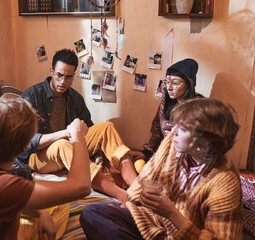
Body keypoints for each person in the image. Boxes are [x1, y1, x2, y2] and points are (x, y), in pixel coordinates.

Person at [80, 98, 243, 240]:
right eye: (175, 125)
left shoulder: (225, 183)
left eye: (183, 129)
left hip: (181, 235)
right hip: (149, 222)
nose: (173, 131)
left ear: (204, 141)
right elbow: (145, 180)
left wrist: (171, 213)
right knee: (92, 214)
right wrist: (130, 205)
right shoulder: (173, 143)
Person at [0, 96, 92, 239]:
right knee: (62, 202)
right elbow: (82, 186)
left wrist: (41, 212)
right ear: (26, 147)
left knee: (57, 205)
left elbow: (5, 199)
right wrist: (78, 137)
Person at [20, 49, 137, 202]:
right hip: (37, 156)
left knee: (106, 127)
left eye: (68, 77)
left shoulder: (75, 97)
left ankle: (136, 187)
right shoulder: (32, 96)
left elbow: (88, 129)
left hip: (68, 145)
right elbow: (26, 142)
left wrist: (96, 155)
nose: (63, 81)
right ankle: (122, 196)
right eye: (59, 75)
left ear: (74, 75)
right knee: (62, 144)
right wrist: (66, 132)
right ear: (51, 71)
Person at [133, 58, 203, 162]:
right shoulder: (165, 101)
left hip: (186, 160)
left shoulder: (199, 108)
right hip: (164, 154)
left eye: (175, 83)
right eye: (167, 82)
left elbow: (200, 144)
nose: (169, 88)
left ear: (189, 84)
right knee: (138, 164)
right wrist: (147, 151)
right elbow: (157, 126)